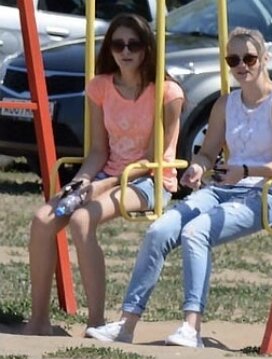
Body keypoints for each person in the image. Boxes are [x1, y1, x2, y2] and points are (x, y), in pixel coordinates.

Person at [85, 27, 272, 349]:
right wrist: (198, 166)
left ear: (264, 58)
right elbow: (208, 151)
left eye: (249, 58)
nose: (241, 65)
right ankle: (127, 323)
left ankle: (191, 327)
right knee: (159, 230)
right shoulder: (226, 103)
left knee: (195, 232)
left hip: (263, 193)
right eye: (233, 59)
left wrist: (245, 170)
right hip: (221, 189)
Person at [24, 13, 184, 336]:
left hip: (149, 178)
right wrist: (82, 181)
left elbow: (151, 158)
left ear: (147, 49)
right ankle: (39, 319)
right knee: (43, 219)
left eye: (134, 45)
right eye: (118, 44)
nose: (125, 52)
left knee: (83, 219)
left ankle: (95, 321)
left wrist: (99, 189)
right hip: (108, 174)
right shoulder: (100, 88)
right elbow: (98, 150)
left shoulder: (166, 93)